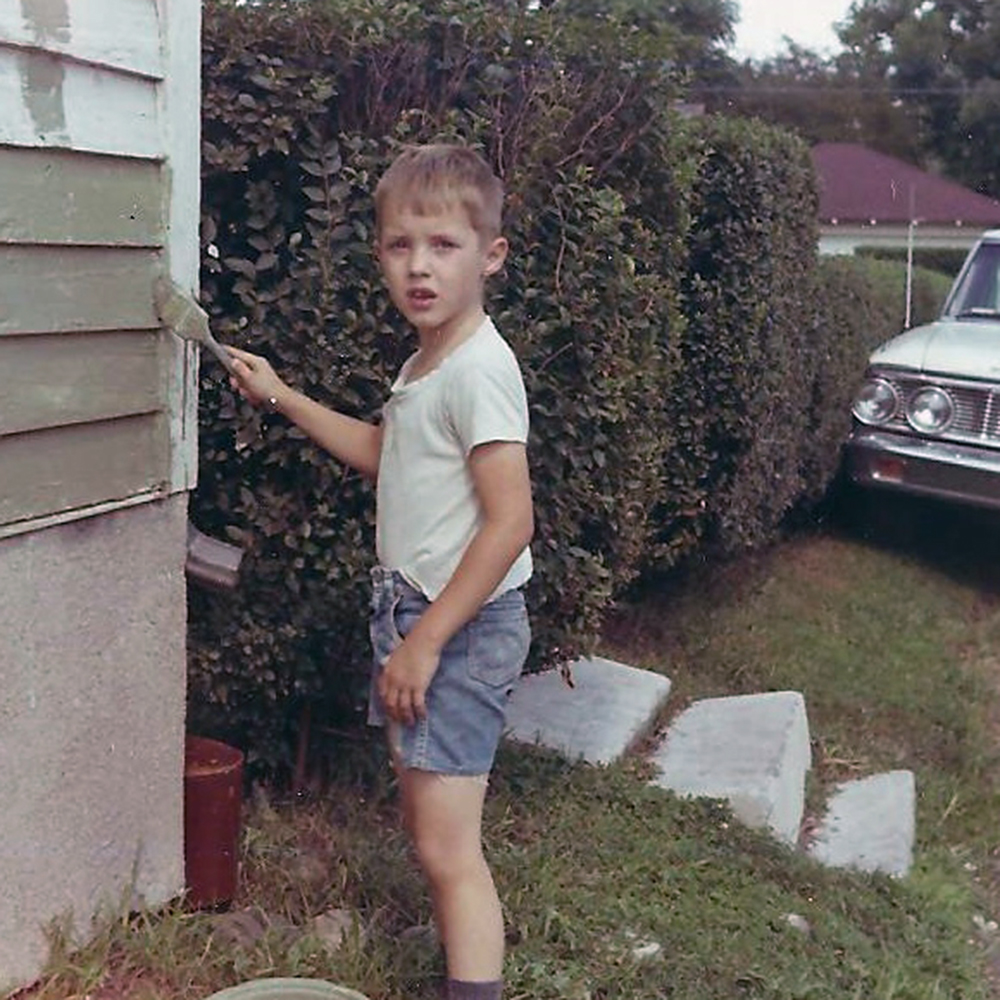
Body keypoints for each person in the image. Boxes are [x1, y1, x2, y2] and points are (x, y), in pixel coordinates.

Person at [226, 143, 534, 1000]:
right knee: (433, 828)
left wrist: (425, 644)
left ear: (490, 256)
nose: (420, 266)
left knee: (448, 850)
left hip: (454, 627)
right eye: (401, 246)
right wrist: (282, 394)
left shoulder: (478, 369)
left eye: (443, 245)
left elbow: (512, 522)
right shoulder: (428, 364)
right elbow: (385, 453)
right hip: (421, 618)